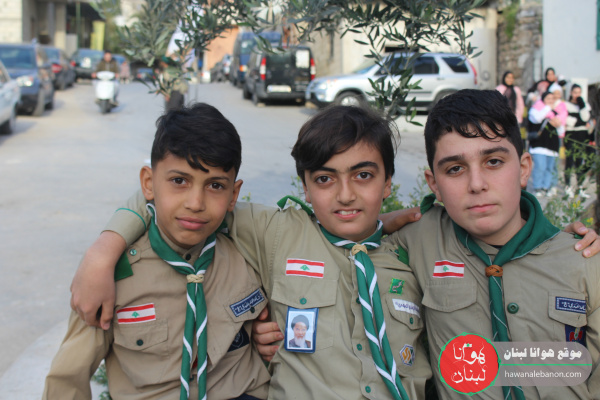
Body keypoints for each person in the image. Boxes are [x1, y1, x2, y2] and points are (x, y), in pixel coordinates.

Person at [70, 105, 434, 399]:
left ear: (388, 182)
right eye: (325, 179)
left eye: (363, 176)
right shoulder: (276, 233)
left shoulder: (415, 247)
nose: (346, 195)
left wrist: (380, 224)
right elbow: (177, 200)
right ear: (305, 188)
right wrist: (104, 250)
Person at [43, 103, 270, 400]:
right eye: (179, 181)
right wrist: (100, 255)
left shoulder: (248, 252)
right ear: (148, 184)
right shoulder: (112, 277)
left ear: (233, 195)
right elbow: (67, 379)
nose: (195, 203)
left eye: (215, 185)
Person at [384, 89, 599, 399]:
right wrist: (381, 221)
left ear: (524, 169)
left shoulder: (584, 259)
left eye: (494, 161)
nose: (476, 184)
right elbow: (341, 236)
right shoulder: (420, 239)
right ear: (435, 185)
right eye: (455, 169)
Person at [528, 91, 561, 197]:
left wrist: (556, 121)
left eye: (552, 99)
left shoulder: (555, 112)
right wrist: (547, 108)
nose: (551, 101)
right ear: (543, 99)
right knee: (540, 167)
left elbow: (561, 127)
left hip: (552, 144)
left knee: (550, 168)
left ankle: (546, 187)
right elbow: (537, 119)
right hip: (539, 144)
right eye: (548, 98)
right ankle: (537, 187)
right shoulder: (535, 109)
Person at [564, 84, 592, 197]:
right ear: (571, 93)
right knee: (570, 160)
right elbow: (567, 120)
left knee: (580, 162)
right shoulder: (566, 105)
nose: (577, 95)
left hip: (582, 135)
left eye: (579, 92)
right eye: (575, 92)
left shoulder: (584, 105)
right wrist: (581, 122)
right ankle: (568, 186)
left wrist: (582, 105)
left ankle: (579, 187)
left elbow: (586, 118)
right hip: (571, 134)